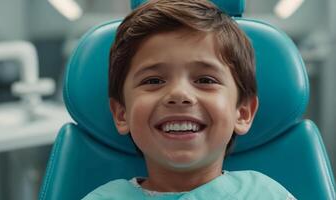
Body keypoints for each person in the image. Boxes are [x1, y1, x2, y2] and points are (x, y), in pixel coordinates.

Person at [83, 0, 296, 199]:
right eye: (154, 81)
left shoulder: (265, 194)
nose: (179, 94)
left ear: (242, 113)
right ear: (122, 114)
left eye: (205, 79)